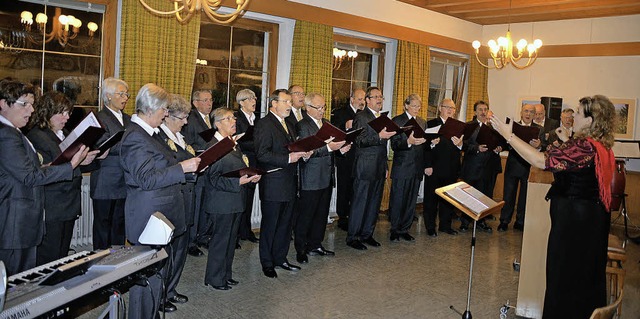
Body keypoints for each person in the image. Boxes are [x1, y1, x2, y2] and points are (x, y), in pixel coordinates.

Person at [490, 95, 615, 319]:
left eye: (578, 112)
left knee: (565, 277)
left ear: (590, 119)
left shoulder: (584, 146)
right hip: (591, 220)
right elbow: (578, 167)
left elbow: (541, 161)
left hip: (575, 225)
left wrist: (508, 135)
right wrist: (568, 139)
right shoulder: (599, 145)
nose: (572, 116)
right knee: (585, 275)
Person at [119, 83, 200, 318]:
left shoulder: (149, 134)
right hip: (148, 218)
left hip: (159, 216)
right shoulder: (135, 136)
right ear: (153, 108)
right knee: (146, 284)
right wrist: (182, 168)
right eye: (165, 109)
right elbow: (145, 179)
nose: (166, 114)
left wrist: (186, 170)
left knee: (156, 280)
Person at [0, 80, 88, 275]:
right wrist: (71, 165)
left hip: (22, 218)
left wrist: (58, 165)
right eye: (25, 104)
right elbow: (30, 176)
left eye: (32, 104)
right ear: (4, 104)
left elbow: (31, 169)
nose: (31, 110)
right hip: (15, 221)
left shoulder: (14, 132)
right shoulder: (6, 134)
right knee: (16, 283)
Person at [26, 91, 99, 265]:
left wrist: (86, 160)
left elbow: (72, 165)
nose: (66, 117)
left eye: (69, 113)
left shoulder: (65, 133)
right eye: (61, 113)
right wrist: (75, 163)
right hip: (52, 205)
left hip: (69, 203)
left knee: (61, 255)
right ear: (47, 112)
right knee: (48, 257)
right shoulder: (37, 136)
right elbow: (43, 171)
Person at [254, 89, 310, 278]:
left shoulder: (289, 124)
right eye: (285, 101)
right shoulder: (264, 124)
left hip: (289, 182)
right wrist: (288, 159)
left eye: (289, 101)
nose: (289, 104)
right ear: (274, 104)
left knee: (285, 224)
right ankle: (267, 262)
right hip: (273, 183)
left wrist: (303, 153)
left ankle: (280, 258)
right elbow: (262, 154)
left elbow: (292, 148)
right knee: (270, 225)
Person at [203, 108, 260, 290]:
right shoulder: (214, 146)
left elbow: (239, 167)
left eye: (233, 117)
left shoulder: (232, 143)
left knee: (230, 241)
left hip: (235, 200)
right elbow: (212, 178)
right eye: (228, 118)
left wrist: (250, 176)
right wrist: (239, 182)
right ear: (217, 124)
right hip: (221, 202)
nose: (233, 121)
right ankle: (214, 278)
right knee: (220, 242)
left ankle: (225, 274)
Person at [294, 93, 349, 264]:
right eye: (318, 107)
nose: (322, 110)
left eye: (324, 107)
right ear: (307, 108)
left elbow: (332, 147)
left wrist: (340, 149)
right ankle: (301, 248)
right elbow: (306, 151)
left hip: (326, 176)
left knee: (321, 214)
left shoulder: (327, 124)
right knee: (306, 215)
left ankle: (315, 244)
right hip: (310, 177)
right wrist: (329, 148)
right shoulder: (302, 126)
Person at [157, 94, 195, 312]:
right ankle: (161, 294)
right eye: (182, 117)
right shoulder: (161, 138)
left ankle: (171, 289)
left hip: (187, 195)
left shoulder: (180, 136)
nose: (186, 121)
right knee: (169, 249)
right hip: (173, 197)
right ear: (168, 115)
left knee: (180, 247)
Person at [346, 87, 396, 250]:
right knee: (360, 203)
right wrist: (378, 136)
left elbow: (384, 146)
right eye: (375, 97)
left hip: (379, 167)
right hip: (365, 167)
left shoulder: (382, 118)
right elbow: (359, 141)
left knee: (374, 203)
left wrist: (385, 166)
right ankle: (353, 237)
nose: (379, 100)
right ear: (367, 100)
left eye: (381, 96)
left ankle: (367, 234)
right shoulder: (361, 116)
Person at [90, 77, 131, 250]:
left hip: (124, 180)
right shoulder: (98, 118)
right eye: (120, 94)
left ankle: (118, 262)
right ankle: (99, 263)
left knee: (119, 223)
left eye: (126, 94)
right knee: (103, 225)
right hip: (105, 181)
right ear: (107, 97)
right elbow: (101, 145)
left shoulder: (129, 119)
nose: (125, 98)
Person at [497, 103, 542, 232]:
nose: (528, 114)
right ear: (521, 113)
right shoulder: (512, 126)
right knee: (508, 195)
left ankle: (520, 221)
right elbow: (503, 143)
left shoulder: (539, 129)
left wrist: (539, 145)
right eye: (526, 111)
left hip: (529, 167)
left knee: (525, 196)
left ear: (534, 115)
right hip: (513, 164)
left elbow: (542, 148)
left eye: (531, 112)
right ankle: (504, 221)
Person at [459, 101, 502, 233]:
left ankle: (481, 221)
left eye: (485, 109)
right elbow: (464, 145)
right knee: (469, 195)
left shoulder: (493, 127)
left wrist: (498, 148)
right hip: (472, 166)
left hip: (488, 167)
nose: (483, 112)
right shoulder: (468, 126)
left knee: (484, 196)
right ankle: (465, 222)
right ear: (475, 112)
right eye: (480, 109)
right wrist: (477, 148)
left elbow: (499, 143)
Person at [423, 98, 464, 236]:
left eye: (452, 108)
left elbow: (462, 147)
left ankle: (445, 225)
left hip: (451, 167)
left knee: (448, 199)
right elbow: (425, 147)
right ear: (440, 108)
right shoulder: (431, 123)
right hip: (434, 167)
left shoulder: (458, 126)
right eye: (447, 107)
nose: (450, 110)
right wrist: (427, 164)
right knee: (431, 199)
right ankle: (430, 227)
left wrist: (460, 144)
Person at [388, 94, 426, 241]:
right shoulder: (397, 121)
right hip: (402, 167)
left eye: (418, 106)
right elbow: (395, 145)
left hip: (417, 167)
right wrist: (408, 142)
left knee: (411, 201)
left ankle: (405, 229)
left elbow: (425, 146)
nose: (417, 109)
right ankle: (395, 230)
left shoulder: (422, 122)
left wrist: (432, 142)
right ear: (406, 105)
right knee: (398, 199)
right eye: (414, 105)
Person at [181, 89, 213, 257]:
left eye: (211, 100)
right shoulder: (190, 120)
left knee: (205, 205)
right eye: (205, 100)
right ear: (195, 103)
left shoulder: (210, 119)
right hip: (197, 169)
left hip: (208, 168)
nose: (209, 104)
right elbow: (186, 145)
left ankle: (203, 236)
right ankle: (191, 242)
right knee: (196, 206)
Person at [331, 88, 365, 231]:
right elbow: (333, 132)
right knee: (344, 188)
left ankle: (354, 215)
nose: (362, 102)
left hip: (361, 157)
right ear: (352, 99)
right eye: (359, 99)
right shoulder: (340, 113)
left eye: (364, 99)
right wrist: (345, 126)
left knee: (356, 189)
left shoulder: (365, 115)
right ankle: (342, 217)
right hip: (345, 157)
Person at [234, 89, 260, 243]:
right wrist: (259, 143)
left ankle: (246, 231)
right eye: (250, 98)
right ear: (242, 102)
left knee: (249, 198)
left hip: (255, 162)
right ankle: (236, 234)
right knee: (240, 199)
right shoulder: (236, 119)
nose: (254, 101)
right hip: (241, 162)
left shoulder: (258, 119)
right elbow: (238, 142)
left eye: (255, 98)